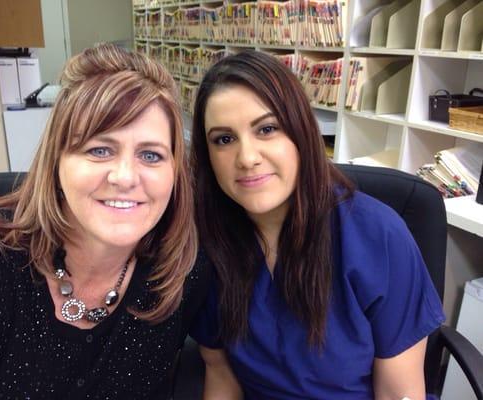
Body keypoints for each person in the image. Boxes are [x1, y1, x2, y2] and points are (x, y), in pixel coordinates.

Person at [0, 43, 211, 399]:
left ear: (175, 174)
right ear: (56, 164)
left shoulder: (181, 275)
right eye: (99, 150)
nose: (124, 177)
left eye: (150, 155)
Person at [189, 50, 445, 400]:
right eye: (224, 139)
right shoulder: (210, 242)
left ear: (301, 133)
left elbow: (399, 394)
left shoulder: (377, 236)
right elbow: (221, 375)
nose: (247, 158)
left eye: (267, 129)